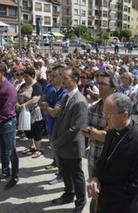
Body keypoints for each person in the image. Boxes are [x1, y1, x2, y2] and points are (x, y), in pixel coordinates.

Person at [87, 93, 138, 213]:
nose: (104, 117)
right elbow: (102, 161)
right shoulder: (111, 132)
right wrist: (95, 178)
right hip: (105, 203)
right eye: (104, 113)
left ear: (125, 115)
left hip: (124, 207)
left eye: (108, 114)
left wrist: (102, 189)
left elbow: (134, 187)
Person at [80, 69, 119, 213]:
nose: (99, 86)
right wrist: (98, 133)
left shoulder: (119, 108)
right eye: (98, 83)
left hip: (112, 162)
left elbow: (108, 136)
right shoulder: (94, 107)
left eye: (103, 84)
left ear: (113, 87)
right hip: (94, 158)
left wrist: (92, 132)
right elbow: (83, 129)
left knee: (108, 197)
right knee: (94, 195)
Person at [51, 67, 88, 213]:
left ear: (74, 81)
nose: (62, 80)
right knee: (65, 173)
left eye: (65, 78)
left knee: (76, 176)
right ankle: (68, 194)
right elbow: (59, 119)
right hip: (62, 144)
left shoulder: (79, 101)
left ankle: (80, 203)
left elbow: (75, 129)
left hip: (72, 147)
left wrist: (56, 143)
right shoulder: (66, 96)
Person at [18, 67, 44, 158]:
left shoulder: (37, 86)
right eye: (24, 77)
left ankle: (38, 149)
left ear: (32, 76)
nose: (25, 79)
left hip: (34, 113)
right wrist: (18, 104)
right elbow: (18, 94)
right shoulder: (23, 85)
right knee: (27, 130)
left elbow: (35, 99)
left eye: (26, 77)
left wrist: (23, 105)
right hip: (24, 112)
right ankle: (32, 146)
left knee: (36, 131)